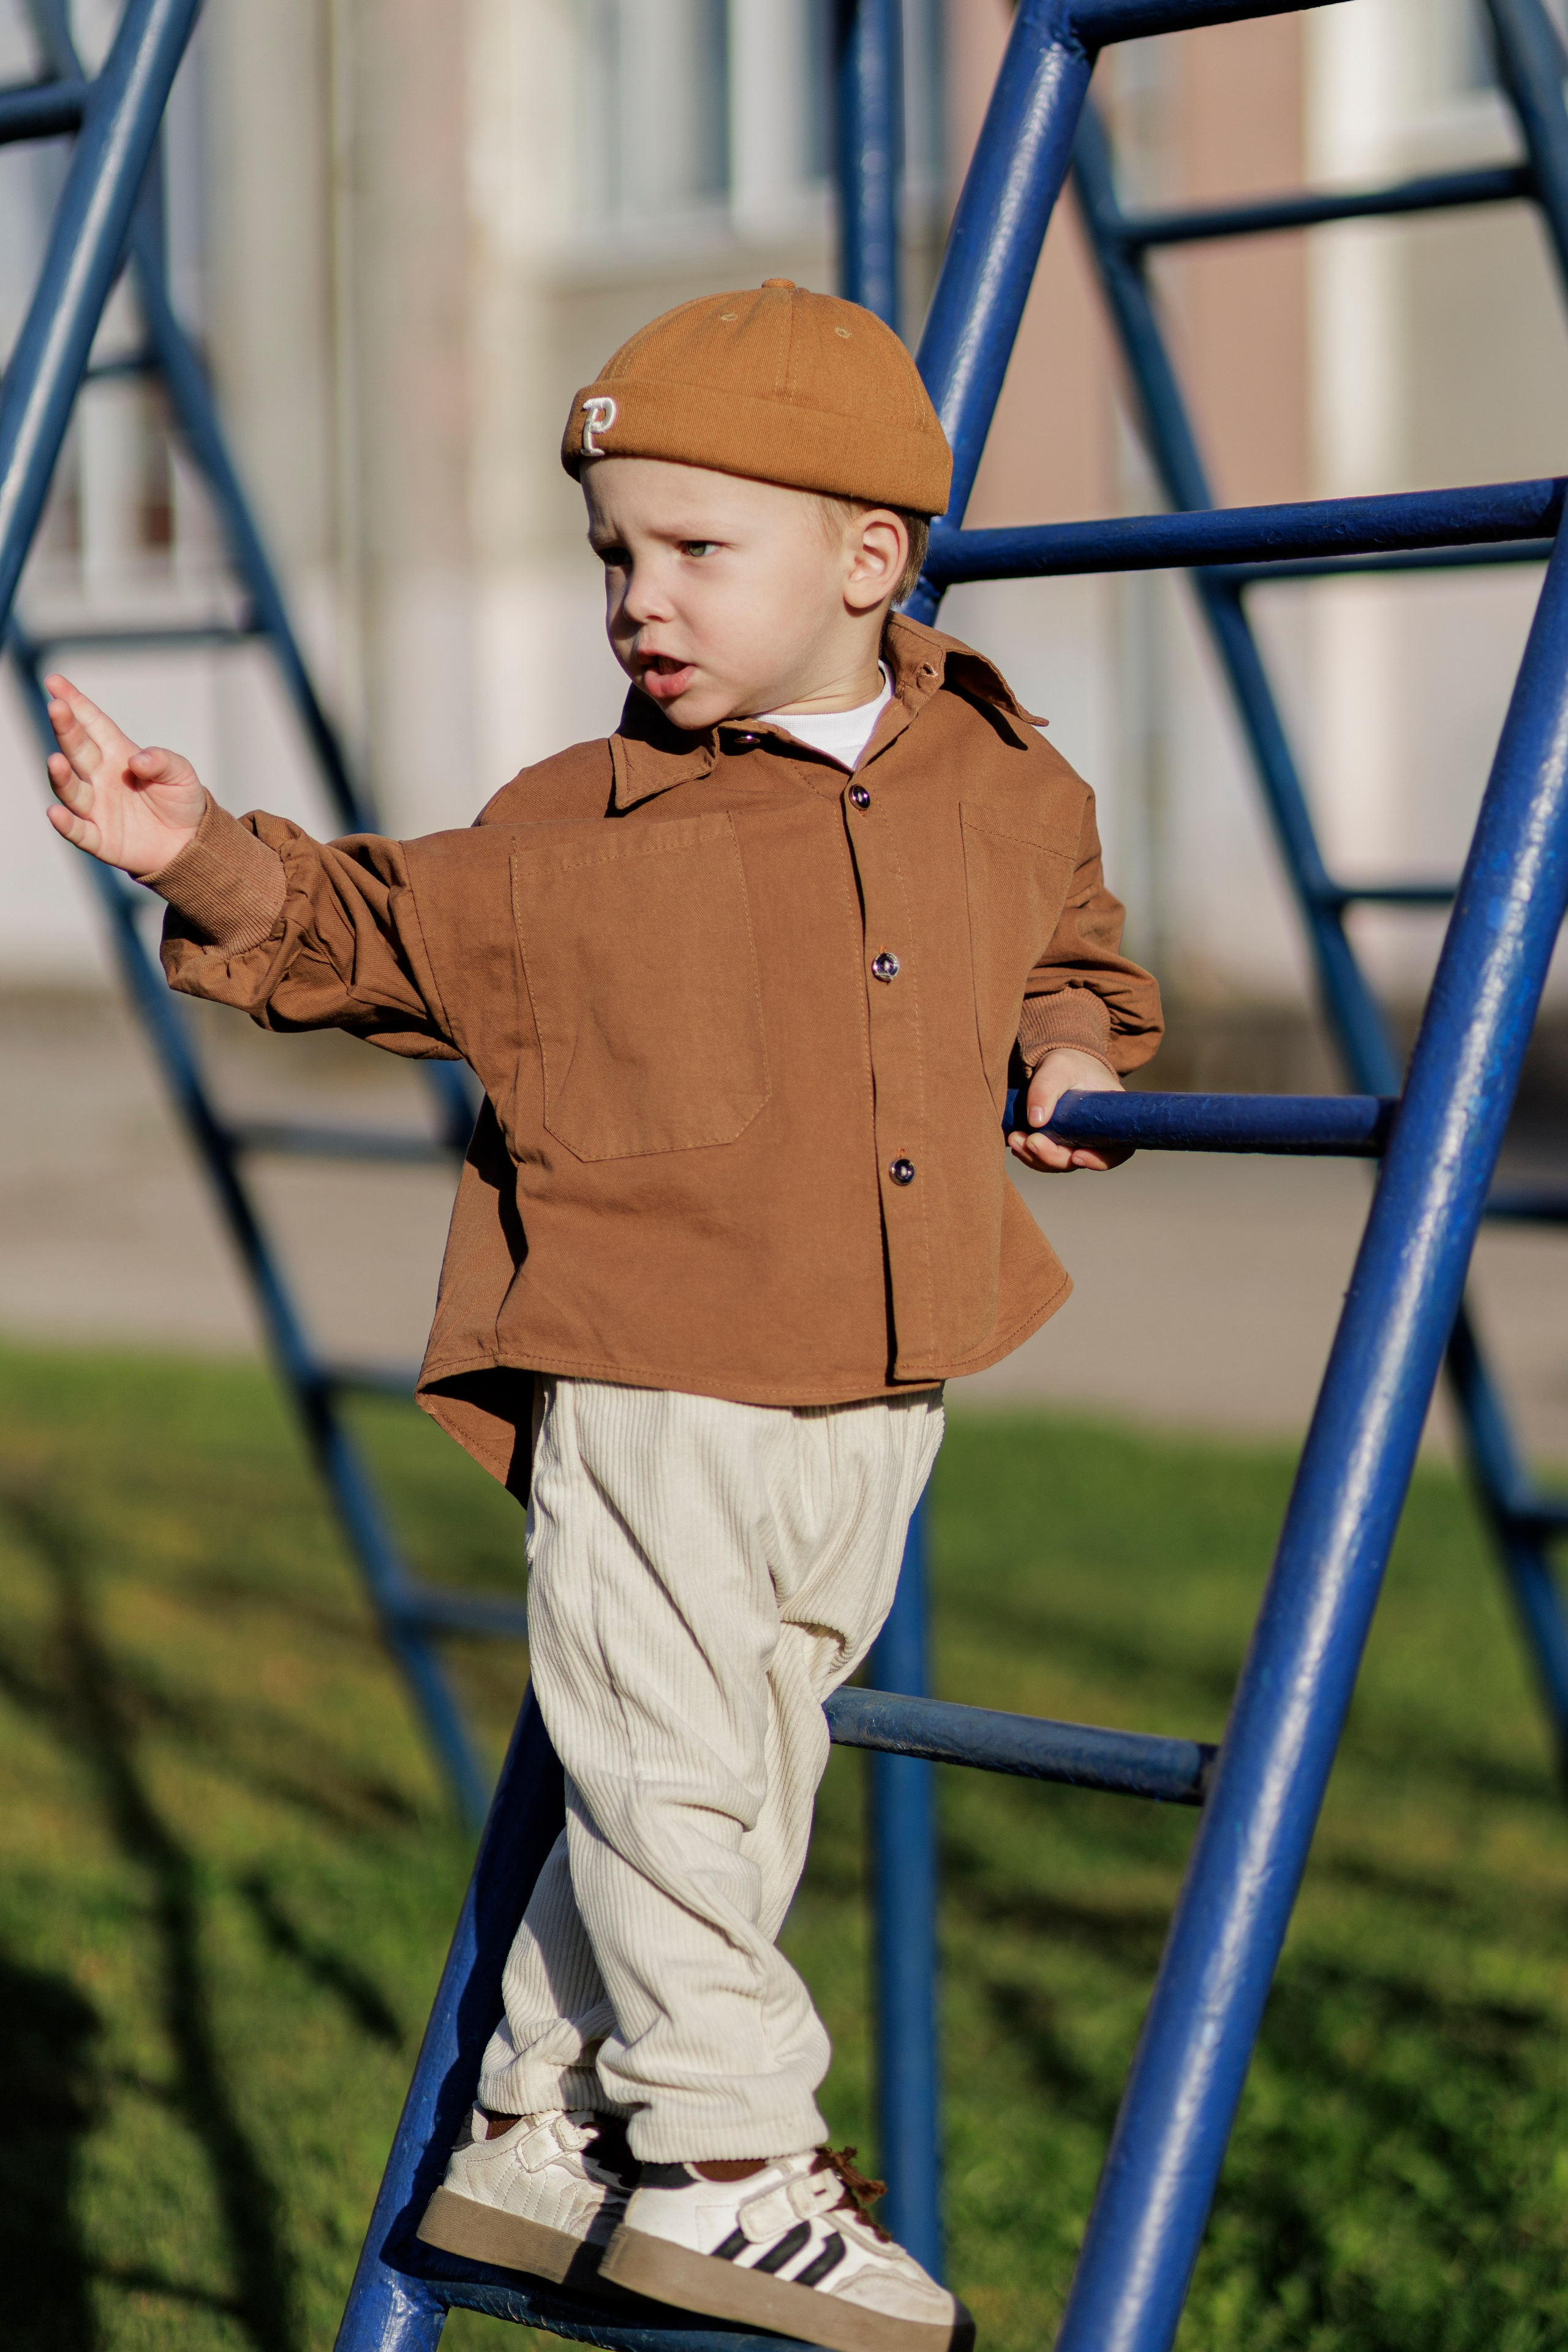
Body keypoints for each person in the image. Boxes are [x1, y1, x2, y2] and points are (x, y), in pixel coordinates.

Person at [43, 279, 1161, 2352]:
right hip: (648, 1367)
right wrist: (194, 851)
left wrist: (1076, 1055)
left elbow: (1073, 949)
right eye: (612, 559)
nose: (640, 600)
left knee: (732, 1769)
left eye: (693, 552)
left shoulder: (1002, 779)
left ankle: (539, 2130)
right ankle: (733, 2162)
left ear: (867, 557)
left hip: (887, 1371)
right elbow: (355, 924)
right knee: (658, 1767)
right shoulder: (579, 823)